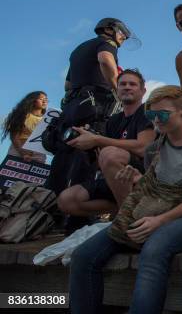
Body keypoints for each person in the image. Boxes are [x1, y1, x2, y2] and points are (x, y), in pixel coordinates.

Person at [69, 85, 182, 314]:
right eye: (151, 115)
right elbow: (155, 192)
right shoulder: (154, 149)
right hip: (161, 211)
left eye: (162, 114)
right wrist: (137, 180)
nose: (156, 120)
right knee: (83, 256)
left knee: (154, 249)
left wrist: (160, 221)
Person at [46, 18, 136, 196]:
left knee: (64, 157)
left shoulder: (78, 49)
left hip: (73, 106)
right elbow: (105, 60)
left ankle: (52, 206)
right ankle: (75, 217)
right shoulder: (107, 43)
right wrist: (116, 88)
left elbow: (67, 84)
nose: (123, 39)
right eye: (123, 35)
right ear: (112, 30)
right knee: (88, 156)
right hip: (95, 107)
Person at [56, 69, 156, 220]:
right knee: (66, 200)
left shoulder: (147, 111)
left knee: (110, 153)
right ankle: (128, 207)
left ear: (143, 91)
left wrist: (98, 140)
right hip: (118, 180)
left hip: (145, 176)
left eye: (132, 84)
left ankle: (127, 218)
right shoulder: (114, 120)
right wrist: (88, 144)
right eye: (122, 84)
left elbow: (144, 148)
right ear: (117, 90)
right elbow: (102, 160)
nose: (127, 87)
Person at [2, 91, 48, 163]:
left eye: (46, 99)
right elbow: (14, 136)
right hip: (18, 149)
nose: (45, 101)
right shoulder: (21, 115)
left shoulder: (48, 119)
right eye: (41, 99)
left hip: (39, 154)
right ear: (32, 100)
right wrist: (23, 153)